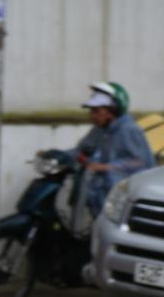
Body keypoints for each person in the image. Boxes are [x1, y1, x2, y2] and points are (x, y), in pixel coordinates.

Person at [65, 82, 154, 217]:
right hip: (101, 195)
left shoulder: (129, 130)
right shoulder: (100, 130)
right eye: (91, 111)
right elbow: (82, 148)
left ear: (112, 111)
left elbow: (140, 161)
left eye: (96, 111)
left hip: (124, 203)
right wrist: (58, 155)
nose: (92, 116)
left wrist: (105, 167)